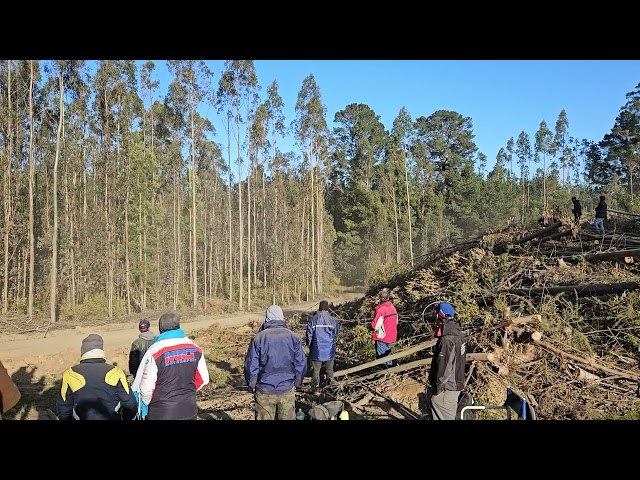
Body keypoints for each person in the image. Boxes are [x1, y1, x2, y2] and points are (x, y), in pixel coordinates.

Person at [131, 311, 210, 420]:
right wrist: (185, 393)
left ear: (160, 328)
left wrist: (150, 403)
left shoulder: (154, 352)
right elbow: (203, 379)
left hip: (161, 412)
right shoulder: (196, 349)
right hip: (188, 410)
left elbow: (146, 389)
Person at [244, 304, 307, 420]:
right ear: (282, 317)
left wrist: (252, 384)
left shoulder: (258, 338)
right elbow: (301, 363)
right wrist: (297, 382)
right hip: (287, 388)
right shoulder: (293, 337)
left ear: (266, 318)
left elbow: (251, 365)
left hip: (264, 390)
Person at [56, 334, 137, 420]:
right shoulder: (116, 372)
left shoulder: (70, 374)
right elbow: (130, 403)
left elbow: (63, 407)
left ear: (83, 351)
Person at [426, 302, 466, 420]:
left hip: (447, 388)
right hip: (455, 385)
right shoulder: (459, 334)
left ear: (439, 316)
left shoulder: (447, 339)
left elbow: (445, 367)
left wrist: (438, 388)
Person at [306, 300, 340, 390]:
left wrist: (310, 346)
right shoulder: (332, 320)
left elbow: (309, 335)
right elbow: (336, 332)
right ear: (327, 309)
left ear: (319, 308)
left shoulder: (313, 319)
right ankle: (331, 385)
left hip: (317, 349)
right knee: (329, 369)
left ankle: (316, 387)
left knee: (316, 370)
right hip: (329, 349)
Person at [371, 288, 398, 368]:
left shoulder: (381, 310)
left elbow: (375, 326)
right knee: (388, 354)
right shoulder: (393, 308)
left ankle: (384, 372)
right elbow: (396, 321)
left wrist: (372, 323)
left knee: (381, 357)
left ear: (380, 299)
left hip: (382, 336)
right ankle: (389, 370)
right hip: (391, 335)